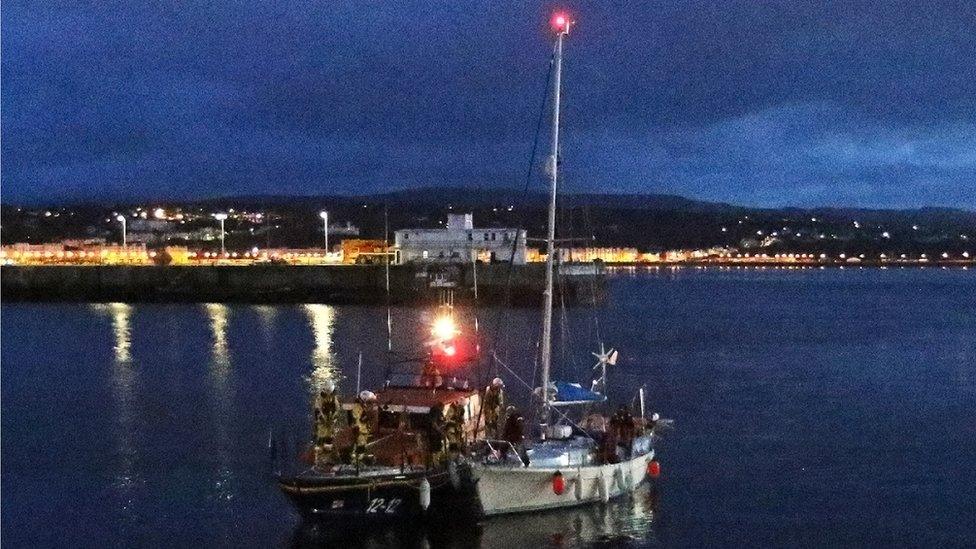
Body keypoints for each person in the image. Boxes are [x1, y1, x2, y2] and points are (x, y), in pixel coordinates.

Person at [312, 380, 340, 463]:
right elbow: (318, 410)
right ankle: (318, 459)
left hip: (330, 422)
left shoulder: (333, 397)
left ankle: (328, 458)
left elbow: (337, 408)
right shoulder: (320, 399)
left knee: (329, 440)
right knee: (321, 440)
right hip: (322, 423)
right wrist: (322, 419)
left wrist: (334, 418)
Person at [350, 390, 377, 466]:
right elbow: (361, 419)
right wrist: (369, 415)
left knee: (362, 447)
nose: (370, 404)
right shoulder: (357, 408)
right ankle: (356, 463)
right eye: (369, 402)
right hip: (360, 431)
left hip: (364, 431)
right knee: (360, 447)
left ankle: (358, 462)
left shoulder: (362, 407)